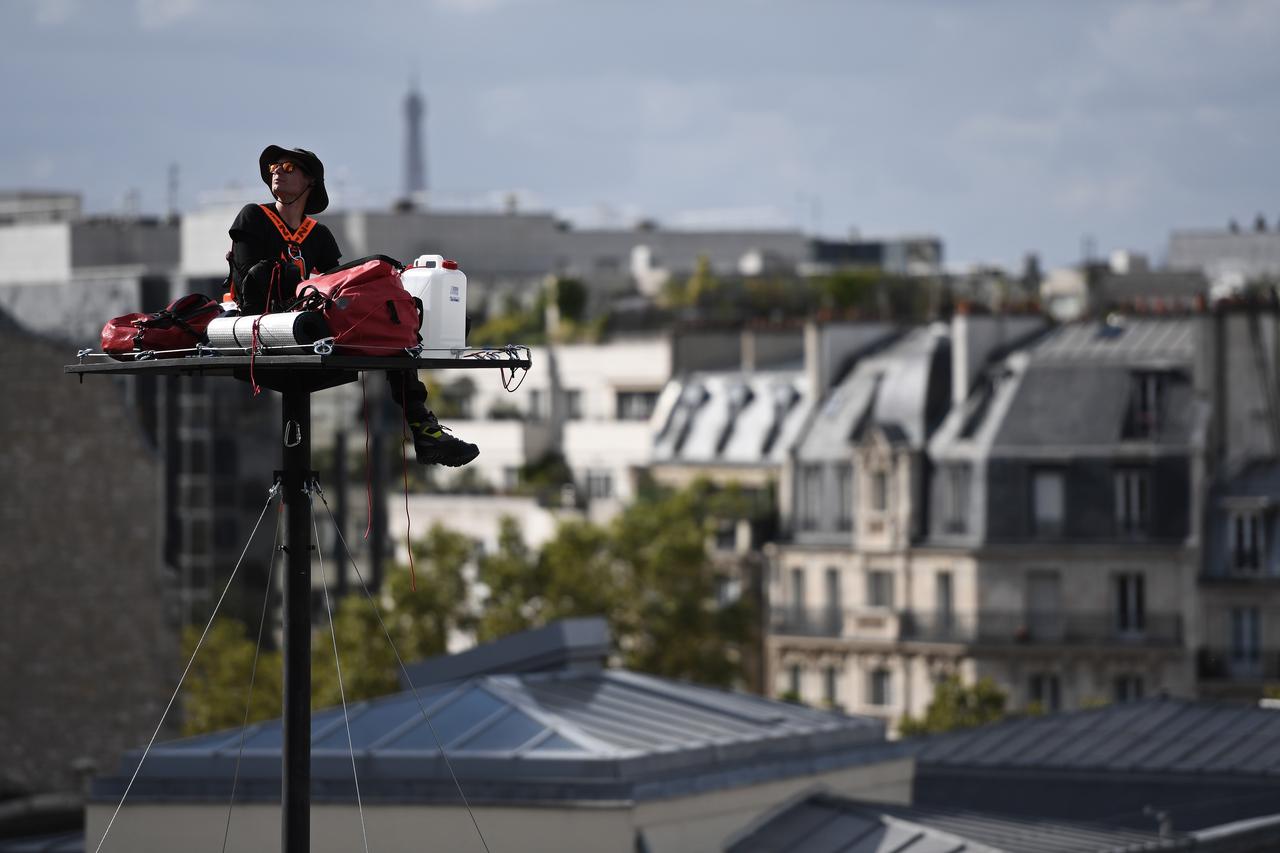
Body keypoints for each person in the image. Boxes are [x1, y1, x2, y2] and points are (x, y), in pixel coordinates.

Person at [228, 144, 479, 467]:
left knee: (391, 326)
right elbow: (252, 282)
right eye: (274, 166)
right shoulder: (254, 217)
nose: (276, 171)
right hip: (264, 321)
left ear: (310, 182)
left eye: (288, 167)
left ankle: (422, 428)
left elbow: (341, 285)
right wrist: (302, 283)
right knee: (277, 272)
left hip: (310, 324)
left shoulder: (318, 235)